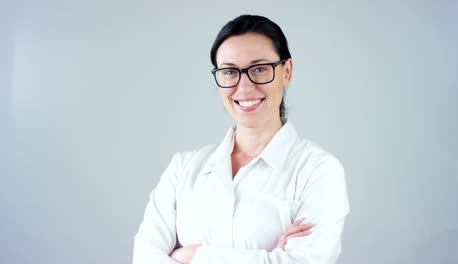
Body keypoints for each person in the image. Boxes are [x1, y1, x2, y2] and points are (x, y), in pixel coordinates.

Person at [133, 14, 350, 264]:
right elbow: (145, 258)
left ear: (286, 72)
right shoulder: (183, 169)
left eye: (259, 69)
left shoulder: (319, 171)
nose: (244, 86)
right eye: (229, 72)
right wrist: (269, 258)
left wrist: (192, 256)